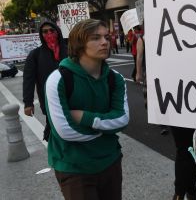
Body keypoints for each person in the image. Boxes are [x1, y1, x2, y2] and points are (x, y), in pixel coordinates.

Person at [44, 19, 129, 200]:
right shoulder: (57, 79)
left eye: (107, 37)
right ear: (79, 44)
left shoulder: (116, 78)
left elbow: (122, 119)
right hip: (74, 167)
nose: (105, 42)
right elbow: (64, 131)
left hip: (110, 161)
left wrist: (86, 118)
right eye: (96, 38)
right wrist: (104, 131)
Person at [23, 21, 67, 141]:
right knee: (53, 129)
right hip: (49, 100)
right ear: (41, 34)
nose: (49, 33)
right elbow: (28, 79)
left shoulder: (69, 51)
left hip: (72, 98)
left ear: (57, 31)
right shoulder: (35, 55)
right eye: (45, 31)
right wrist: (28, 103)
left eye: (52, 30)